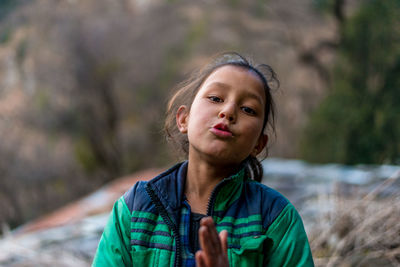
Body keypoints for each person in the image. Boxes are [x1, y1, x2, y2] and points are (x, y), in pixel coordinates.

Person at [92, 52, 314, 267]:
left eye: (248, 109)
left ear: (259, 144)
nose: (228, 111)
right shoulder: (135, 209)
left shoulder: (275, 218)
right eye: (216, 98)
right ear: (184, 119)